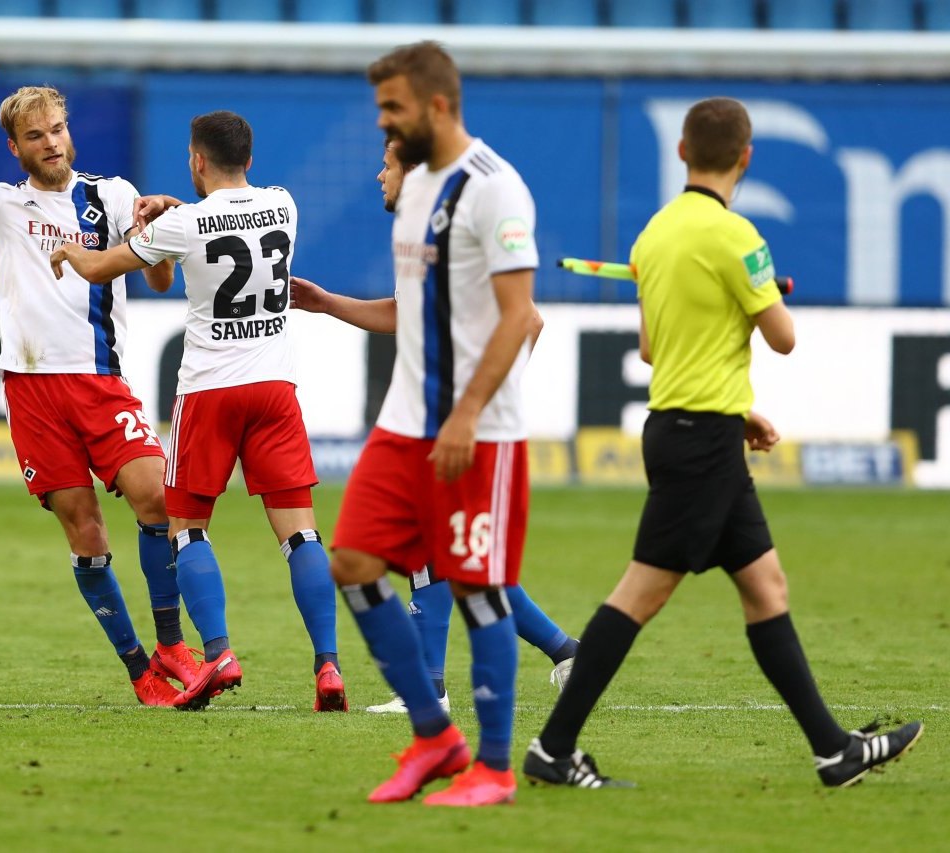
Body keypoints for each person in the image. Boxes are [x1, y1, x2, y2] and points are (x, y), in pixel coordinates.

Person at [523, 97, 924, 790]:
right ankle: (553, 748)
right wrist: (760, 293)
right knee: (639, 595)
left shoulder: (652, 236)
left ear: (681, 152)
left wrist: (739, 415)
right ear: (746, 157)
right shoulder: (739, 237)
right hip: (701, 441)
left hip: (689, 430)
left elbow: (654, 348)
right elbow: (784, 337)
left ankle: (833, 751)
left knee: (766, 586)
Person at [0, 65, 202, 708]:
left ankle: (172, 643)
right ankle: (141, 673)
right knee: (85, 528)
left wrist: (160, 227)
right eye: (35, 135)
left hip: (100, 382)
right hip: (33, 391)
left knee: (156, 494)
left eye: (59, 129)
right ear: (15, 147)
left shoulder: (112, 196)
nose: (51, 142)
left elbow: (154, 281)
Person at [49, 110, 346, 713]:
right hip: (274, 389)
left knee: (187, 529)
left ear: (196, 161)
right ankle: (328, 666)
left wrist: (71, 252)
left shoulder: (183, 224)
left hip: (210, 391)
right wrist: (174, 208)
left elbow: (104, 267)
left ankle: (218, 653)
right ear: (250, 159)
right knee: (302, 533)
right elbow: (228, 216)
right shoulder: (284, 205)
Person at [291, 141, 578, 717]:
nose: (378, 175)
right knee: (456, 561)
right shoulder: (416, 230)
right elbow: (404, 314)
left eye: (387, 163)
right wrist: (328, 305)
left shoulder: (464, 221)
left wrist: (484, 401)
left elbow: (531, 318)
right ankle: (566, 651)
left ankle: (432, 692)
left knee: (434, 557)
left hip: (455, 422)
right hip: (433, 417)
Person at [326, 41, 541, 807]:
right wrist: (324, 303)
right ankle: (434, 736)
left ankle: (495, 767)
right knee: (351, 562)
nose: (382, 123)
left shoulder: (495, 189)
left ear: (438, 106)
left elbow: (523, 316)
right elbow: (418, 310)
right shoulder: (413, 187)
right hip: (403, 425)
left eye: (393, 108)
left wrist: (471, 409)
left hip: (476, 434)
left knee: (479, 592)